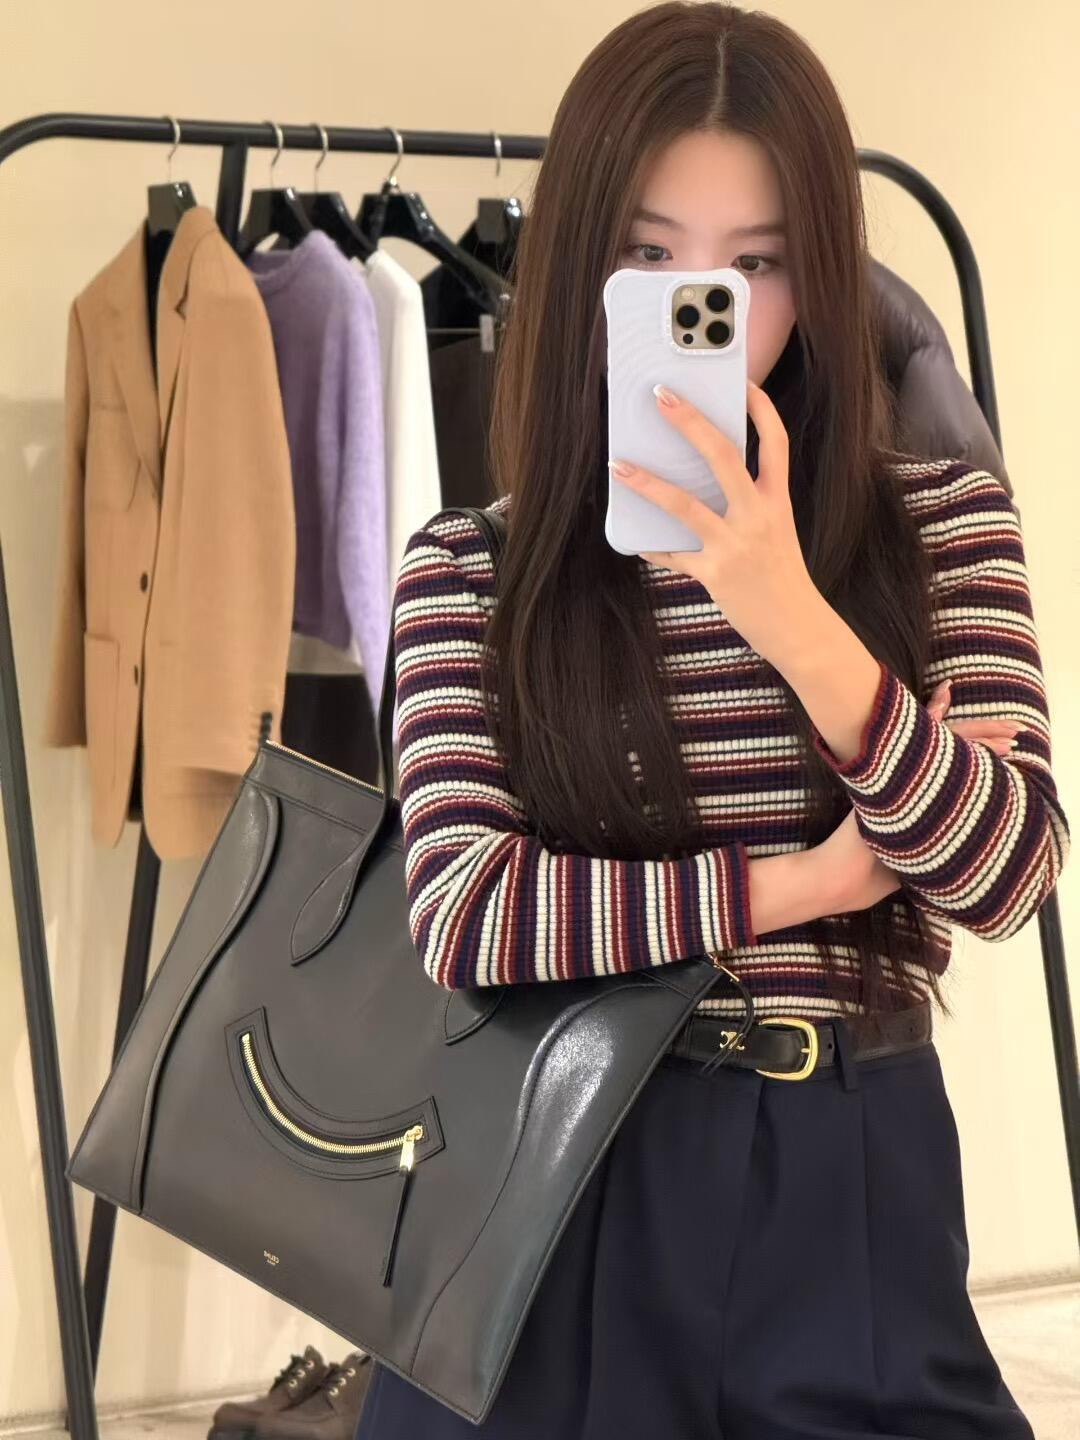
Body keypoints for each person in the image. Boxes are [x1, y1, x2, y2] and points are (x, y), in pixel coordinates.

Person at [356, 4, 1071, 1436]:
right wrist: (802, 884)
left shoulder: (943, 527)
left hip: (847, 1175)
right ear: (581, 263)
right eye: (651, 257)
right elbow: (470, 915)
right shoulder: (471, 571)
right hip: (556, 1175)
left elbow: (1007, 871)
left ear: (825, 275)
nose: (707, 307)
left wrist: (788, 609)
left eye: (757, 264)